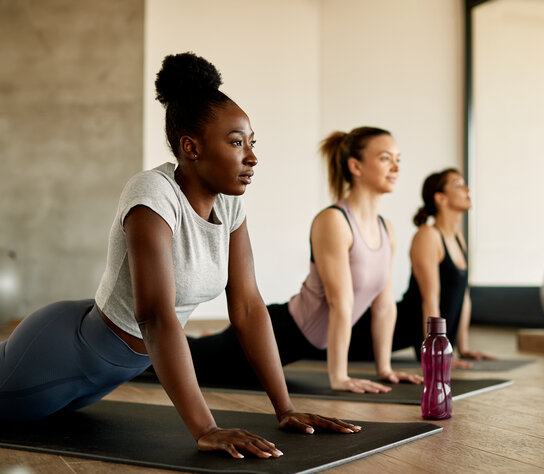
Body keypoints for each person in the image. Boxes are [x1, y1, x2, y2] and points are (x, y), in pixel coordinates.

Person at [0, 52, 360, 459]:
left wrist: (286, 407)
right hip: (56, 357)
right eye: (236, 142)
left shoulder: (229, 207)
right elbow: (154, 315)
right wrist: (206, 428)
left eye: (252, 142)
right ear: (191, 147)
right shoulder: (152, 194)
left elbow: (247, 306)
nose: (252, 156)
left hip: (100, 376)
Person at [188, 127, 422, 393]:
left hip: (303, 345)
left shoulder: (386, 229)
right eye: (385, 158)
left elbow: (384, 306)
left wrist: (385, 369)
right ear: (355, 166)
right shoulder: (335, 221)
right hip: (278, 333)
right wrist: (340, 377)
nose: (395, 167)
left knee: (194, 355)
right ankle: (145, 342)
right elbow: (340, 303)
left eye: (398, 159)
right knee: (184, 360)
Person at [347, 168, 496, 367]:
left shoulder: (459, 239)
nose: (467, 189)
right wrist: (435, 353)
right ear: (440, 198)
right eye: (458, 184)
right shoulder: (428, 236)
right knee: (323, 347)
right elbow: (430, 300)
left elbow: (463, 296)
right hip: (387, 331)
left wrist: (463, 347)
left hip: (423, 335)